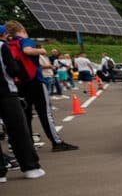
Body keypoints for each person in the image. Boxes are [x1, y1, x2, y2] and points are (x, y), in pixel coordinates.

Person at [3, 21, 77, 152]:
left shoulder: (8, 45)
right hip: (35, 81)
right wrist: (41, 50)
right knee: (45, 113)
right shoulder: (25, 41)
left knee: (26, 115)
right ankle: (56, 142)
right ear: (22, 30)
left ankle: (28, 145)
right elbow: (27, 50)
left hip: (20, 83)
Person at [0, 29, 44, 181]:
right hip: (6, 93)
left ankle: (0, 173)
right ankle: (30, 167)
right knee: (18, 130)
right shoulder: (2, 46)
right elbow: (13, 70)